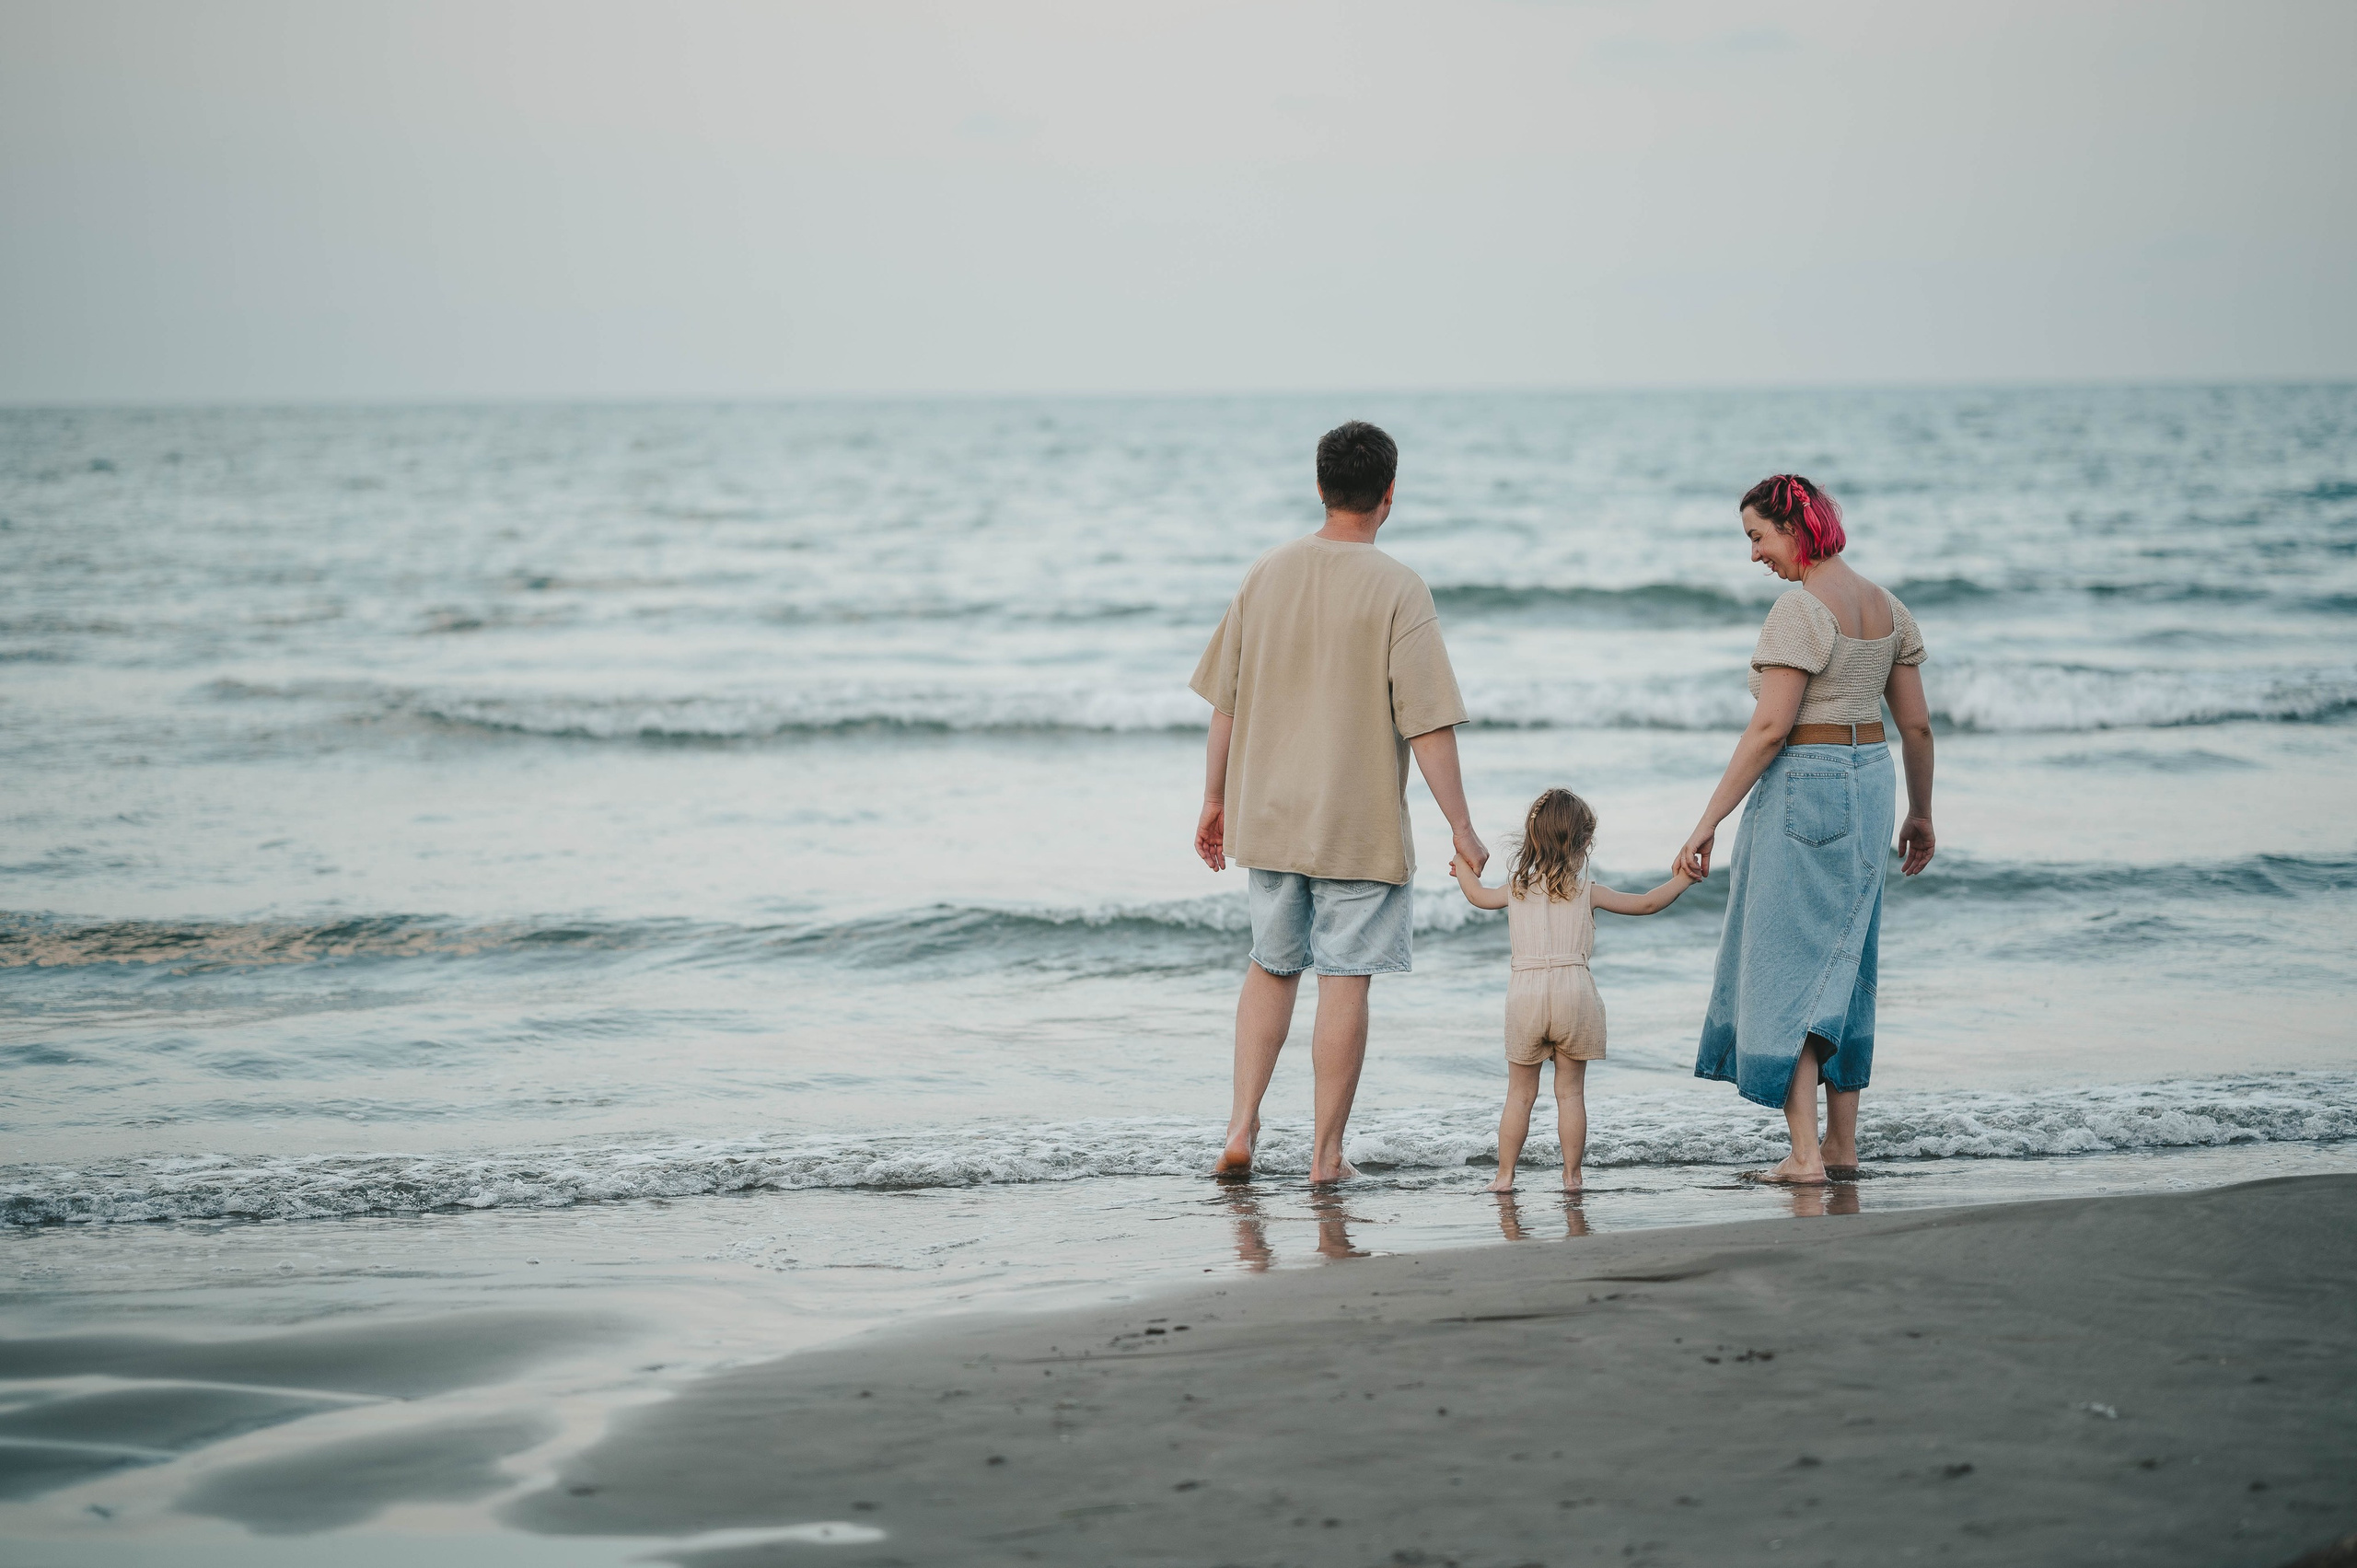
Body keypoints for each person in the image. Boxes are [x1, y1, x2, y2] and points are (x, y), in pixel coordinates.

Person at [1190, 420, 1488, 1184]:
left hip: (1270, 813)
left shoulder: (1267, 572)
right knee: (1344, 981)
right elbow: (1427, 722)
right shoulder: (1399, 587)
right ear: (1389, 494)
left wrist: (1214, 798)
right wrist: (1461, 826)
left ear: (1320, 487)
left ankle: (1241, 1126)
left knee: (1270, 967)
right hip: (1356, 822)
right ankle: (1325, 1155)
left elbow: (1225, 704)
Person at [1676, 474, 1936, 1184]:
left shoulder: (1799, 609)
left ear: (1794, 527)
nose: (1754, 554)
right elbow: (1916, 725)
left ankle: (1803, 1155)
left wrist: (1707, 821)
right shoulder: (1888, 607)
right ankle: (1842, 1146)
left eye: (1758, 536)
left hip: (1805, 781)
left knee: (1784, 962)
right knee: (1848, 959)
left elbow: (1770, 728)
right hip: (1873, 779)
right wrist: (1920, 811)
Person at [1449, 787, 1693, 1193]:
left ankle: (1504, 1178)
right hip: (1574, 994)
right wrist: (1683, 879)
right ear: (1584, 841)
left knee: (1519, 1096)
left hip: (1525, 995)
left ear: (1531, 838)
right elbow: (1648, 903)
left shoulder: (1515, 889)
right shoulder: (1587, 891)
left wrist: (1462, 864)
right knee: (1570, 1095)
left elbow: (1476, 895)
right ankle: (1572, 1177)